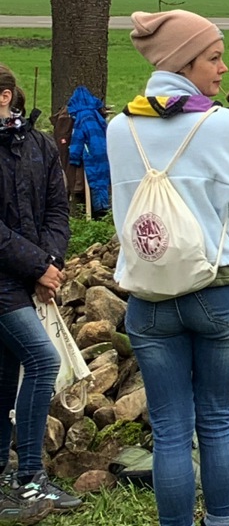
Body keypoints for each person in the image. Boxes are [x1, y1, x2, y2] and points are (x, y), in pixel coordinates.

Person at [107, 11, 229, 526]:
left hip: (147, 293)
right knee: (217, 421)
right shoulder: (218, 123)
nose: (222, 70)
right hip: (216, 287)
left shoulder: (119, 127)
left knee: (170, 430)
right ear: (183, 62)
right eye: (213, 58)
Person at [0, 65, 79, 520]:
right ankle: (30, 477)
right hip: (3, 282)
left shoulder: (40, 143)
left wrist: (50, 264)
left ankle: (7, 476)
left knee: (5, 374)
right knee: (44, 359)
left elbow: (57, 209)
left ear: (6, 96)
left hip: (29, 275)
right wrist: (37, 266)